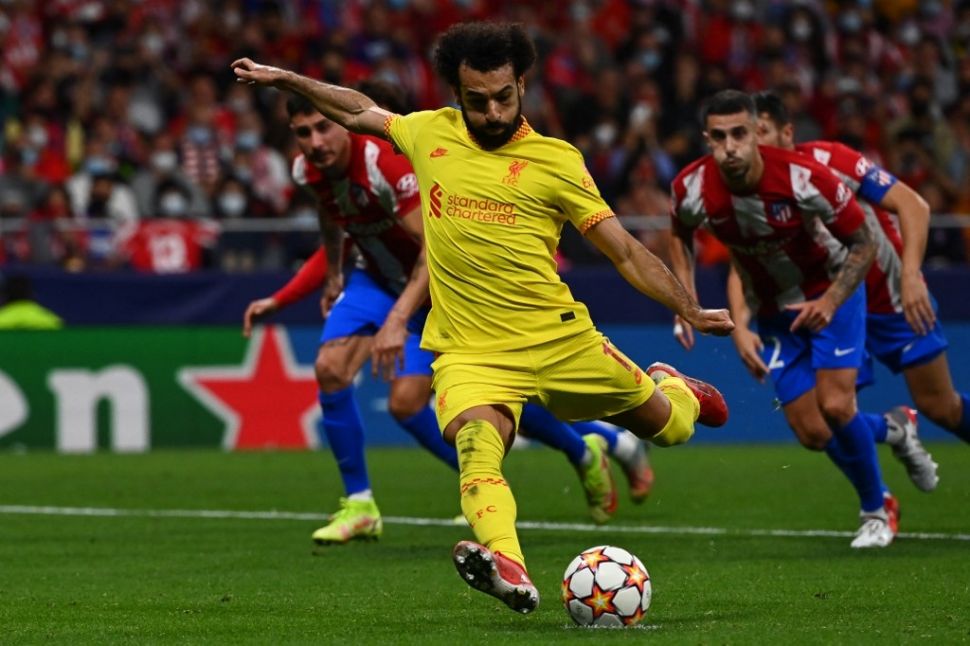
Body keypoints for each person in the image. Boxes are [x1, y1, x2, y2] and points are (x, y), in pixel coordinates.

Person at [233, 22, 732, 614]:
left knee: (669, 430)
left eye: (504, 97)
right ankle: (509, 564)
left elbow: (623, 250)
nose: (492, 112)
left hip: (559, 341)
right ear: (456, 93)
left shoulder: (556, 161)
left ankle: (678, 390)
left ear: (522, 84)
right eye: (477, 100)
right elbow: (360, 111)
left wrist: (689, 307)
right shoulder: (429, 134)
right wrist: (289, 78)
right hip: (471, 351)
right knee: (476, 442)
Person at [241, 93, 653, 547]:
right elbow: (333, 218)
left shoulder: (384, 165)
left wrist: (398, 320)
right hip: (377, 280)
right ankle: (361, 504)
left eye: (323, 127)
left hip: (435, 287)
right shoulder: (308, 171)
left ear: (345, 125)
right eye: (303, 133)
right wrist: (329, 277)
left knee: (460, 396)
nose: (316, 142)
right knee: (331, 370)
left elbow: (428, 253)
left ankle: (583, 446)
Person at [669, 89, 896, 550]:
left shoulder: (804, 177)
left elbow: (864, 241)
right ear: (706, 139)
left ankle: (877, 509)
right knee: (813, 432)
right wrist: (685, 303)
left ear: (757, 134)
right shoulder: (690, 187)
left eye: (739, 134)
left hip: (828, 293)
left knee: (835, 406)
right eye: (718, 136)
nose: (729, 145)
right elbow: (679, 234)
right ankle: (896, 427)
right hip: (774, 311)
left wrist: (831, 302)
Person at [749, 90, 970, 449]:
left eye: (761, 131)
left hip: (893, 297)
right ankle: (891, 444)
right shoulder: (752, 193)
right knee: (819, 424)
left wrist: (911, 275)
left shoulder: (830, 159)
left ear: (787, 133)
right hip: (836, 304)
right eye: (746, 134)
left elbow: (914, 206)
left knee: (941, 407)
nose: (753, 144)